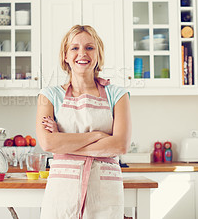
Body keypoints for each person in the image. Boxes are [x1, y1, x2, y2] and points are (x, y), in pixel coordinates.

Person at [36, 25, 132, 219]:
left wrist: (63, 143)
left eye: (90, 47)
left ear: (98, 54)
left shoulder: (118, 94)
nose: (82, 53)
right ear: (65, 55)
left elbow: (120, 145)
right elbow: (47, 143)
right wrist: (97, 136)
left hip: (105, 191)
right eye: (74, 48)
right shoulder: (49, 95)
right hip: (62, 192)